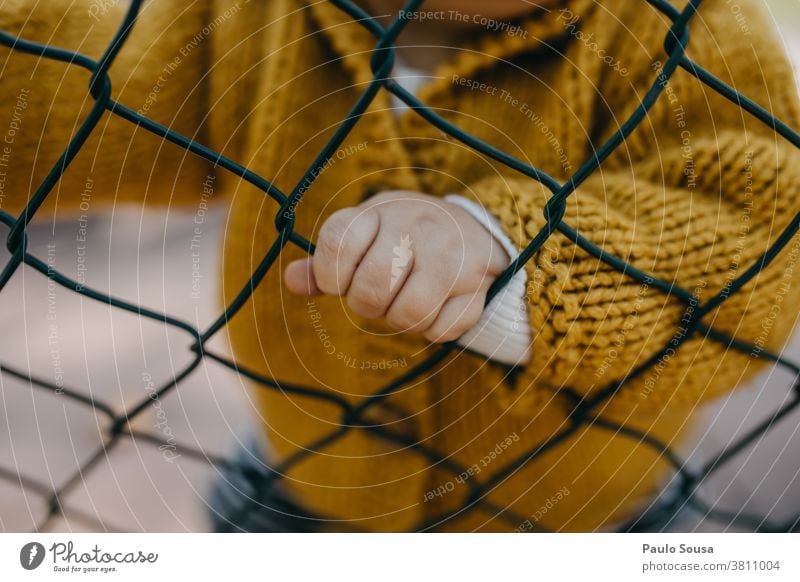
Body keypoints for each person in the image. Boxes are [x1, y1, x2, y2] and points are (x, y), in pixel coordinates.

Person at [1, 0, 798, 531]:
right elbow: (72, 82)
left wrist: (512, 260)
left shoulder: (684, 31)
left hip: (591, 518)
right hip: (307, 495)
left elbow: (760, 231)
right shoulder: (252, 17)